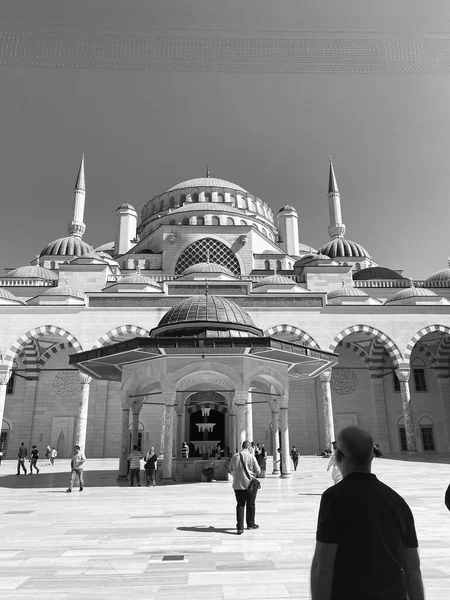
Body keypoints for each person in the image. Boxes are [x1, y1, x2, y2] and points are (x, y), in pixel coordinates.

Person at [310, 426, 425, 600]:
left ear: (338, 457)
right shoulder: (397, 501)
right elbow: (413, 568)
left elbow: (323, 565)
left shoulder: (335, 498)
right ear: (372, 457)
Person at [228, 440, 261, 534]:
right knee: (251, 504)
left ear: (241, 446)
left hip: (237, 485)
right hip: (249, 485)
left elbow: (230, 469)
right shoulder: (251, 457)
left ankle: (240, 527)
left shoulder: (235, 457)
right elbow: (258, 470)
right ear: (250, 447)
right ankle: (250, 524)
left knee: (240, 505)